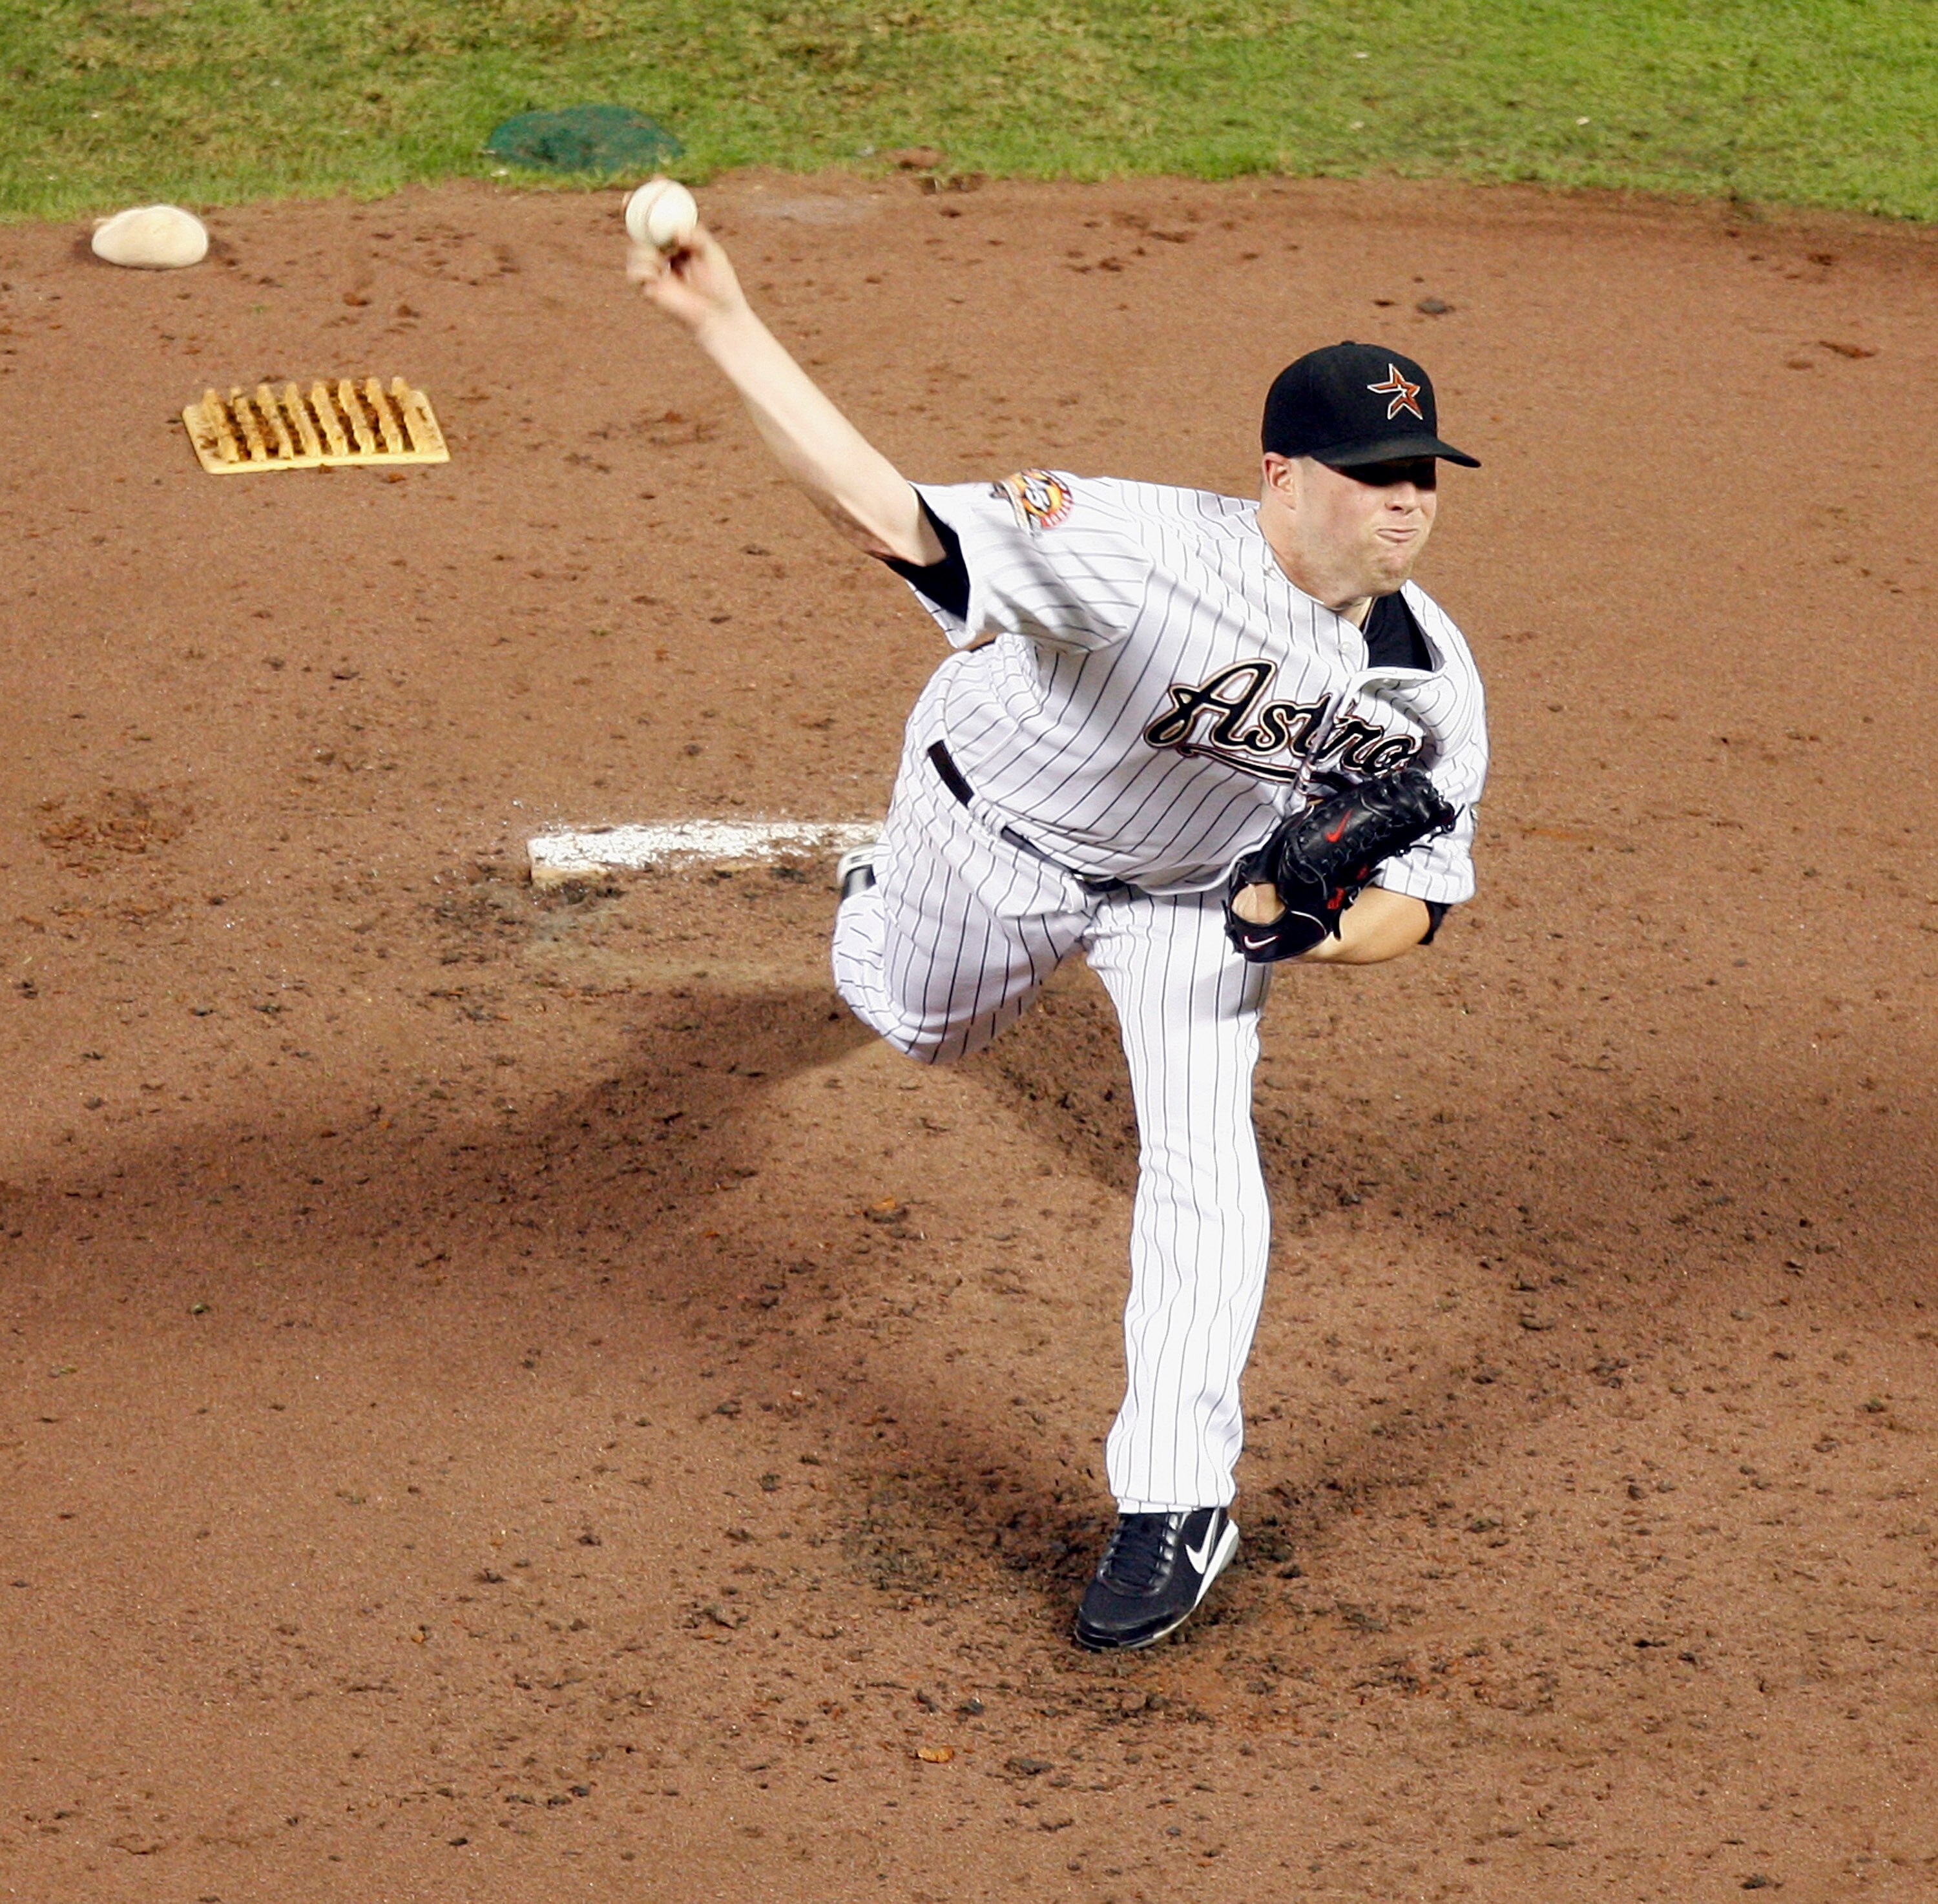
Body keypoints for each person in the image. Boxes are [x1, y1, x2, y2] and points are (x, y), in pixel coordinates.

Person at [629, 217, 1488, 1651]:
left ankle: (1175, 1502)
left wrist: (1315, 937)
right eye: (1373, 477)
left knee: (1207, 1163)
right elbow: (886, 513)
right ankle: (876, 899)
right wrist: (723, 322)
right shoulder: (1123, 543)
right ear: (1281, 474)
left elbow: (1431, 898)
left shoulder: (1426, 680)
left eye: (1422, 480)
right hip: (996, 831)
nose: (1405, 507)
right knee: (920, 1021)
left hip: (1190, 906)